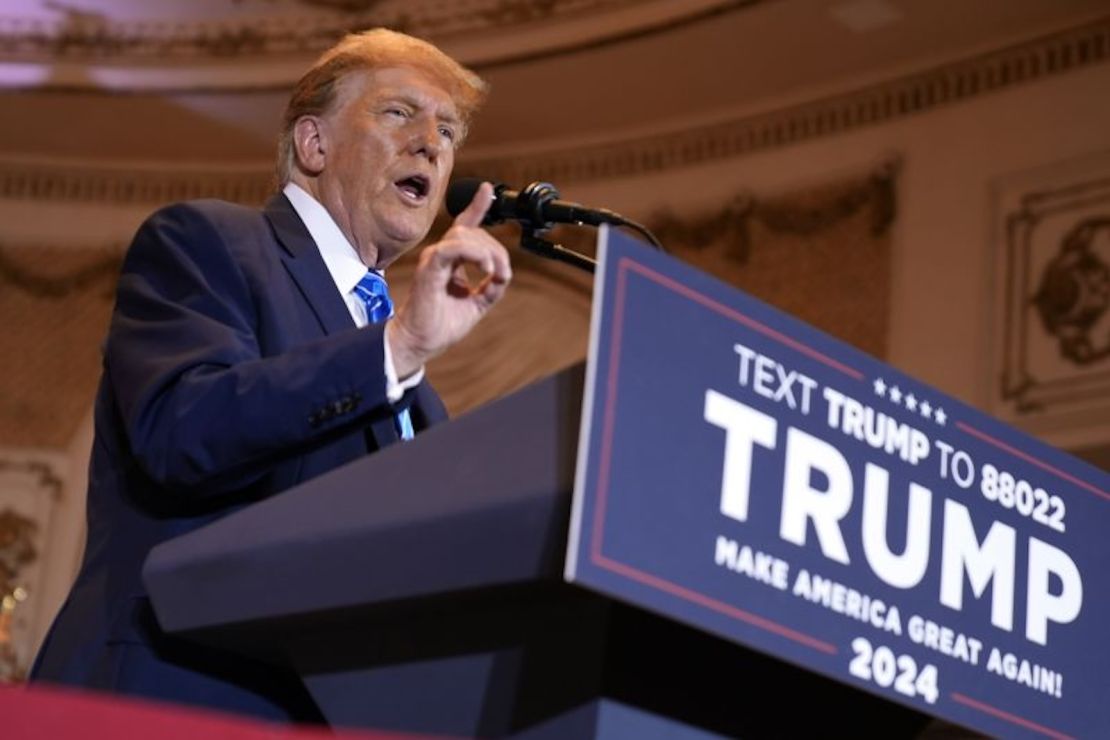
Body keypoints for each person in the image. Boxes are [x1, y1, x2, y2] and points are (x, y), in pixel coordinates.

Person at [29, 28, 511, 722]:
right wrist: (399, 346)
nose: (431, 144)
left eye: (447, 129)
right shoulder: (210, 244)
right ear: (313, 145)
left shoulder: (418, 395)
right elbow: (183, 430)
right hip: (179, 694)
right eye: (398, 113)